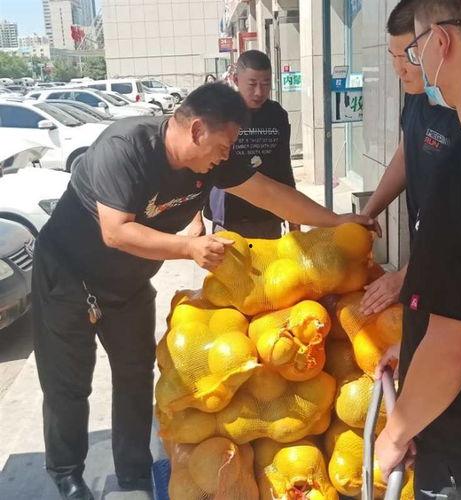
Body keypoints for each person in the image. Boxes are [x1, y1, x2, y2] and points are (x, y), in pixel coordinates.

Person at [33, 82, 375, 500]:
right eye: (224, 146)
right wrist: (189, 247)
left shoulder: (210, 162)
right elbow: (116, 231)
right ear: (197, 130)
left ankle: (134, 470)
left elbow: (270, 194)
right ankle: (67, 473)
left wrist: (336, 222)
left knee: (135, 375)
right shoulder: (126, 148)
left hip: (128, 285)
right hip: (68, 278)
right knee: (68, 384)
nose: (226, 156)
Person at [375, 1, 461, 498]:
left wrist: (395, 433)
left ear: (441, 43)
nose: (413, 64)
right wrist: (413, 344)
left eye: (416, 49)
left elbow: (452, 347)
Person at [361, 0, 461, 316]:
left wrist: (404, 276)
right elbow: (406, 154)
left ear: (438, 45)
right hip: (422, 252)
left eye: (408, 57)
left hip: (455, 264)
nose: (399, 69)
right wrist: (369, 212)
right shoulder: (417, 97)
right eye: (393, 57)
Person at [189, 50, 300, 239]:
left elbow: (284, 167)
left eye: (265, 84)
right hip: (228, 218)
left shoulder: (277, 115)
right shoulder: (219, 115)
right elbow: (196, 168)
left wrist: (293, 215)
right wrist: (195, 219)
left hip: (268, 216)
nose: (259, 92)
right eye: (252, 84)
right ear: (236, 79)